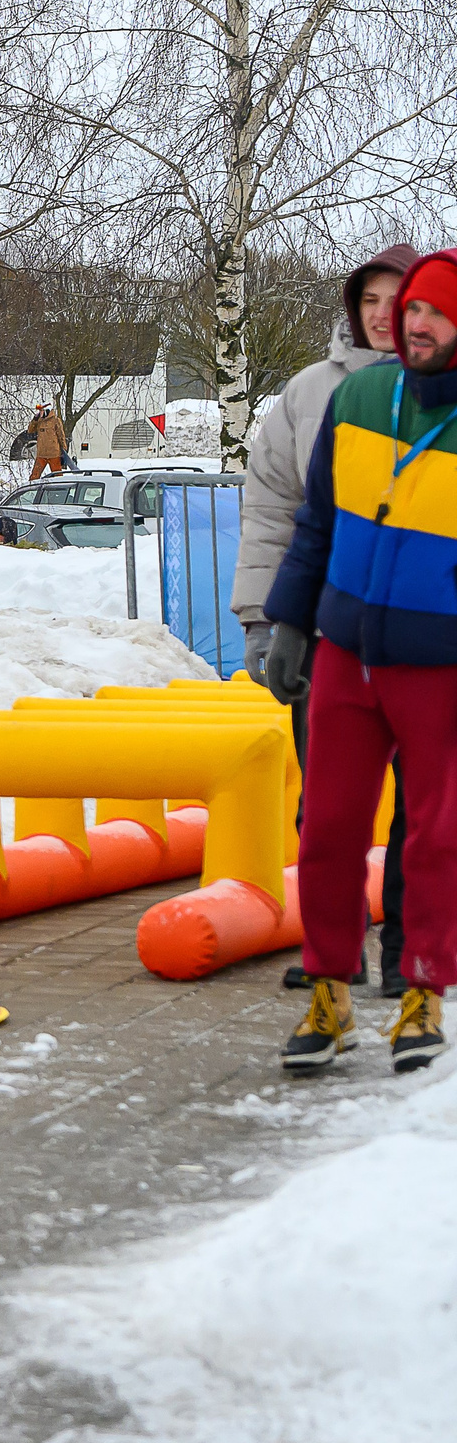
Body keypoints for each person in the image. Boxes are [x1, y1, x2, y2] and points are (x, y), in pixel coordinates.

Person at [262, 250, 457, 1077]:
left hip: (437, 662)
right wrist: (289, 625)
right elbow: (314, 524)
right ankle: (330, 991)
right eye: (413, 309)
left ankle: (421, 991)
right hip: (345, 652)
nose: (415, 323)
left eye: (437, 315)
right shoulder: (359, 396)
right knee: (329, 826)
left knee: (436, 836)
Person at [235, 243, 417, 994]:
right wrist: (262, 619)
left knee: (429, 806)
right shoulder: (309, 394)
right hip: (326, 630)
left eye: (396, 300)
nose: (381, 314)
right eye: (369, 300)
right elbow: (276, 509)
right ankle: (331, 951)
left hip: (424, 633)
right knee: (329, 808)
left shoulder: (445, 391)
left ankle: (412, 951)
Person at [26, 404, 65, 479]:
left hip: (54, 454)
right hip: (41, 454)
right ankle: (31, 489)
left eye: (41, 411)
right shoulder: (39, 421)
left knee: (58, 477)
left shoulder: (55, 420)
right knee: (34, 476)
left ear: (47, 411)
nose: (40, 413)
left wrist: (63, 451)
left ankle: (60, 489)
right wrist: (34, 420)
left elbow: (61, 436)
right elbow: (30, 430)